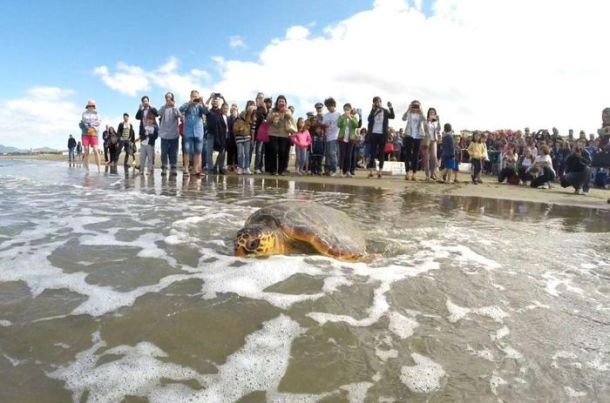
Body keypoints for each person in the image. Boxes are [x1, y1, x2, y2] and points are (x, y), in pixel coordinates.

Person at [179, 90, 208, 176]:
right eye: (193, 96)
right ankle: (186, 169)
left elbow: (206, 112)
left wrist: (202, 102)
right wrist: (189, 103)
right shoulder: (187, 105)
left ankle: (196, 170)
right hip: (188, 131)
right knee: (187, 150)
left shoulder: (200, 106)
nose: (195, 98)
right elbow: (180, 109)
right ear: (190, 97)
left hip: (198, 131)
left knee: (198, 151)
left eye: (196, 97)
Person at [266, 95, 296, 175]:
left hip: (284, 134)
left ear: (285, 103)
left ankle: (281, 170)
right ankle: (273, 170)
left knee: (282, 151)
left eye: (283, 101)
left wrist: (284, 112)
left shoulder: (287, 110)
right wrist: (273, 115)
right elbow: (267, 121)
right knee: (274, 150)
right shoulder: (272, 110)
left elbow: (290, 117)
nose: (281, 102)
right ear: (277, 103)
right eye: (280, 101)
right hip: (273, 133)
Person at [367, 96, 395, 178]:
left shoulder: (385, 110)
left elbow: (392, 116)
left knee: (381, 152)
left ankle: (380, 171)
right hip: (374, 134)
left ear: (381, 102)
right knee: (372, 152)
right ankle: (371, 171)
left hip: (383, 134)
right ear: (374, 103)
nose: (377, 103)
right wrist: (373, 110)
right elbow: (369, 119)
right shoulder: (373, 111)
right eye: (376, 102)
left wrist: (391, 107)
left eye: (379, 101)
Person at [402, 100, 428, 181]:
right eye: (414, 106)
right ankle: (407, 173)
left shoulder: (420, 114)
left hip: (418, 135)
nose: (415, 108)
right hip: (408, 134)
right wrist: (408, 109)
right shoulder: (409, 113)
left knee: (416, 155)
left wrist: (421, 110)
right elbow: (403, 118)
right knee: (408, 154)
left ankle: (414, 173)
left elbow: (425, 120)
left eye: (417, 106)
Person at [158, 92, 181, 176]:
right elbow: (158, 113)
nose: (168, 99)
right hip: (164, 134)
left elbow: (179, 115)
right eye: (167, 97)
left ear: (172, 98)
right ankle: (164, 168)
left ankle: (173, 168)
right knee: (164, 152)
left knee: (173, 152)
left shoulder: (175, 108)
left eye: (170, 97)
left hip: (174, 134)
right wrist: (165, 105)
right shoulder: (163, 108)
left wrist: (174, 106)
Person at [203, 93, 227, 174]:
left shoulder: (221, 111)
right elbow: (204, 107)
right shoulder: (209, 111)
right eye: (214, 101)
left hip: (220, 134)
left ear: (219, 103)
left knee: (222, 151)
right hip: (210, 134)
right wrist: (210, 97)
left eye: (217, 101)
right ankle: (210, 168)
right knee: (209, 152)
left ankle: (220, 167)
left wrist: (223, 98)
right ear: (212, 103)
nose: (215, 102)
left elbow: (226, 106)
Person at [79, 99, 102, 173]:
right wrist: (89, 125)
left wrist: (91, 125)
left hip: (94, 133)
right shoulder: (84, 113)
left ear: (94, 106)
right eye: (90, 105)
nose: (91, 107)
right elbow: (84, 121)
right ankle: (87, 168)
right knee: (86, 150)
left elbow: (99, 122)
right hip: (85, 133)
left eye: (92, 105)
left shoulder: (97, 114)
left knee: (95, 150)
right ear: (87, 106)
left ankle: (99, 169)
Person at [337, 103, 359, 177]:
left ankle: (348, 171)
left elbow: (356, 125)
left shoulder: (353, 117)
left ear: (350, 109)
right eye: (345, 109)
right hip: (342, 138)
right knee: (342, 155)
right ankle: (341, 171)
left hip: (351, 138)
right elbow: (339, 125)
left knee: (349, 155)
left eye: (348, 109)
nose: (346, 111)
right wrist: (344, 118)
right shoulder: (341, 117)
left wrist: (350, 118)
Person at [233, 102, 255, 174]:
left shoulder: (253, 115)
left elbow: (252, 124)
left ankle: (247, 167)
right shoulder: (243, 113)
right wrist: (249, 112)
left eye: (252, 106)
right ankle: (240, 167)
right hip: (239, 136)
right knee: (240, 153)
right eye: (250, 105)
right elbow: (245, 120)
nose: (251, 107)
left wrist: (252, 138)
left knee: (247, 153)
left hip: (247, 136)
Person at [322, 97, 340, 176]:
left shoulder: (338, 114)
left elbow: (341, 125)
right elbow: (323, 125)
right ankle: (330, 169)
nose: (329, 107)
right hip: (327, 136)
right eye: (327, 106)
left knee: (332, 153)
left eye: (330, 106)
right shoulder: (326, 115)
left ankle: (335, 169)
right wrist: (325, 125)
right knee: (328, 154)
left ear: (334, 105)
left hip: (335, 136)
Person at [423, 107, 441, 181]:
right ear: (428, 113)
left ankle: (432, 174)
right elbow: (423, 128)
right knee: (426, 158)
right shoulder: (425, 120)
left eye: (433, 112)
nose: (432, 113)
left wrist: (438, 121)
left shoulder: (435, 122)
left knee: (434, 157)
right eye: (431, 112)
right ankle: (427, 175)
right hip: (426, 140)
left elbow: (439, 129)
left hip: (434, 140)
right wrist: (428, 120)